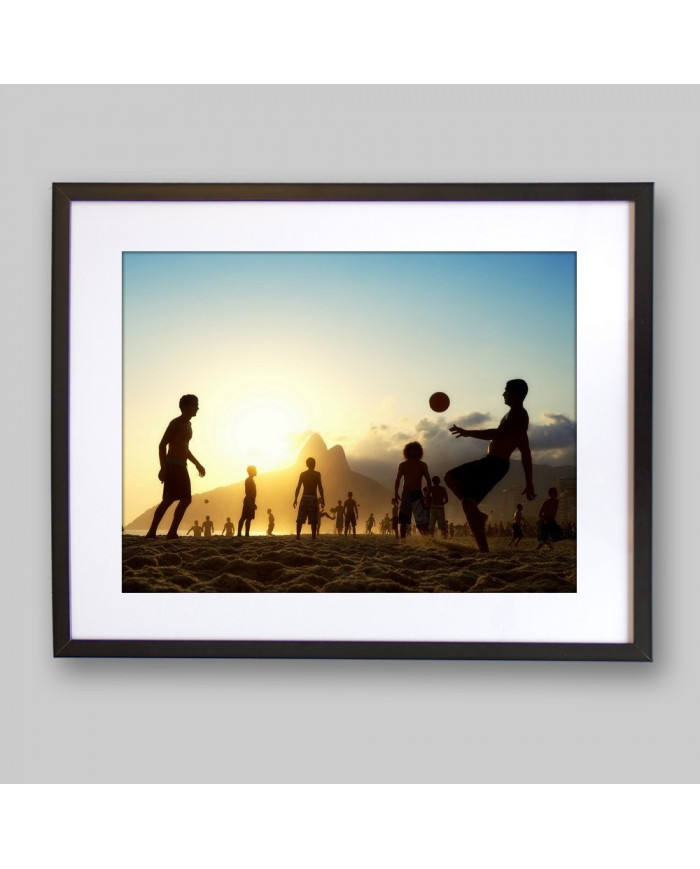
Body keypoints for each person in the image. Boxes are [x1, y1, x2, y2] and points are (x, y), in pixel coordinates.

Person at [445, 380, 535, 553]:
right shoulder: (514, 415)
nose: (503, 394)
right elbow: (525, 449)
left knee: (462, 495)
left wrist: (467, 432)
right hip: (492, 462)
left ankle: (483, 548)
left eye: (506, 390)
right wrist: (529, 481)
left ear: (515, 393)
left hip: (496, 464)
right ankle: (477, 516)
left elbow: (498, 436)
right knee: (454, 484)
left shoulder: (518, 415)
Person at [146, 394, 206, 539]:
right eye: (194, 404)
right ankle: (151, 532)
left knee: (186, 499)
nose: (197, 407)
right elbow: (162, 445)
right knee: (168, 500)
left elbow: (185, 448)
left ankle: (172, 532)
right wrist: (163, 468)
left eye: (197, 404)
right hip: (172, 465)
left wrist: (197, 464)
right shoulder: (176, 423)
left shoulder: (189, 425)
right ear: (184, 407)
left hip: (182, 466)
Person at [394, 442, 431, 539]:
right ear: (407, 451)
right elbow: (398, 479)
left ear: (419, 451)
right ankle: (403, 540)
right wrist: (396, 493)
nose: (414, 451)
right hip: (406, 493)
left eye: (416, 449)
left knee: (421, 520)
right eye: (412, 449)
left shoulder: (422, 465)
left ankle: (427, 540)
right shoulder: (403, 465)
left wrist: (427, 494)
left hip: (417, 494)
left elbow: (428, 480)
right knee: (403, 520)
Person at [293, 457, 325, 539]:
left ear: (307, 464)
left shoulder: (303, 474)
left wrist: (295, 499)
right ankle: (313, 537)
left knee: (300, 518)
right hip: (313, 498)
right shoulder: (317, 474)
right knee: (313, 519)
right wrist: (323, 499)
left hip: (304, 497)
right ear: (314, 464)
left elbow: (298, 487)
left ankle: (298, 536)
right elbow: (320, 487)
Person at [237, 466, 257, 537]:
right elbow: (247, 493)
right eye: (255, 470)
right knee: (244, 517)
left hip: (251, 500)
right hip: (248, 500)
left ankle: (247, 534)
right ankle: (239, 533)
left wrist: (253, 503)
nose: (256, 471)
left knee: (249, 518)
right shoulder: (248, 480)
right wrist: (250, 503)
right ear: (251, 471)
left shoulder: (251, 480)